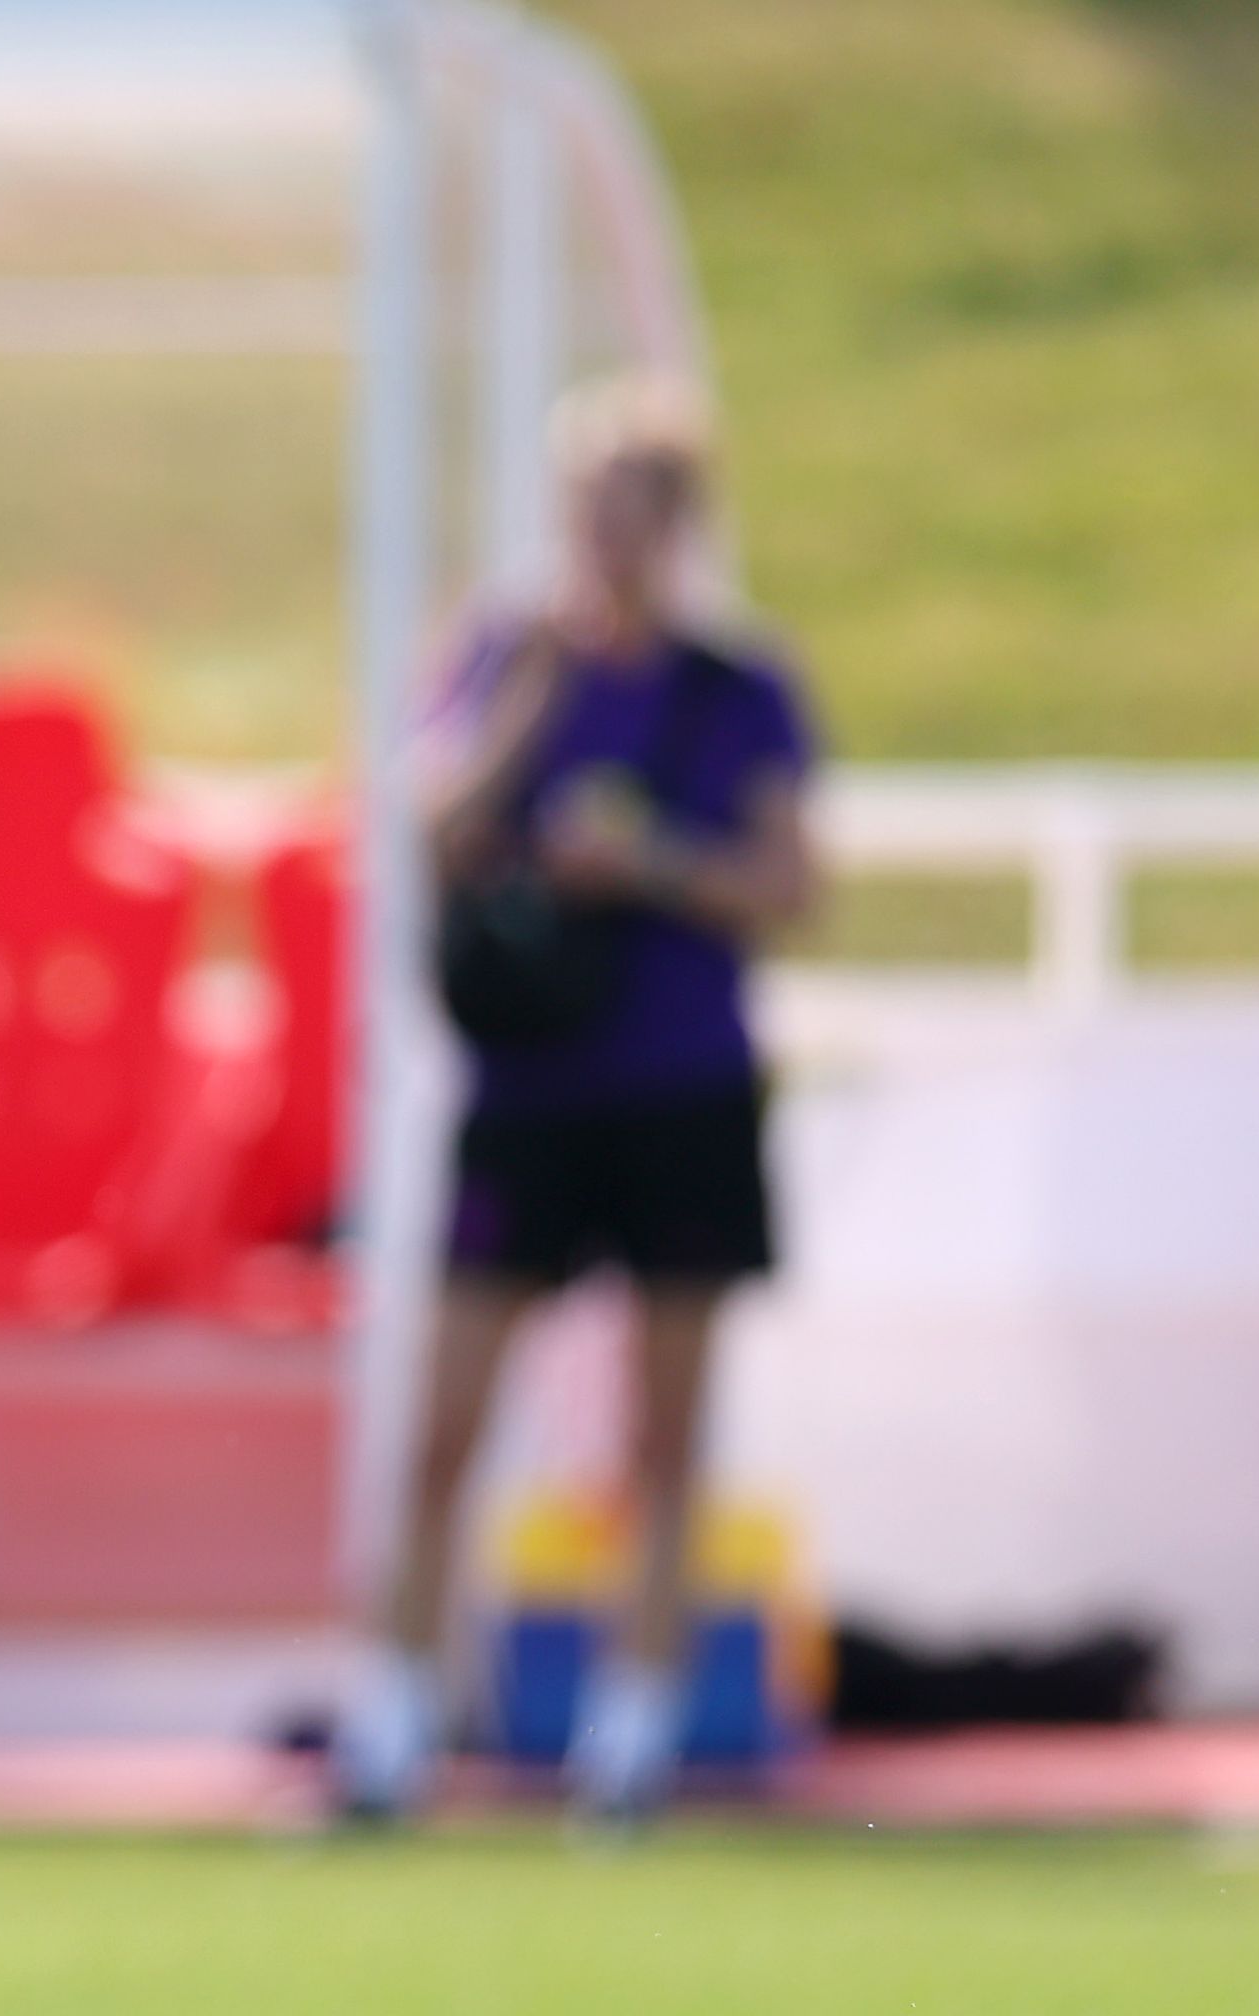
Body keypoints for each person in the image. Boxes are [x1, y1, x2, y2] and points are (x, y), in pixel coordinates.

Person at [341, 379, 822, 1827]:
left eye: (635, 510)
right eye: (587, 508)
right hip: (532, 1093)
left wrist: (653, 864)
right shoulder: (502, 659)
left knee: (662, 1434)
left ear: (678, 525)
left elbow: (789, 888)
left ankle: (632, 1729)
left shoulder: (736, 689)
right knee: (445, 1423)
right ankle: (392, 1727)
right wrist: (533, 709)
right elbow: (426, 826)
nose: (606, 539)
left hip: (677, 1083)